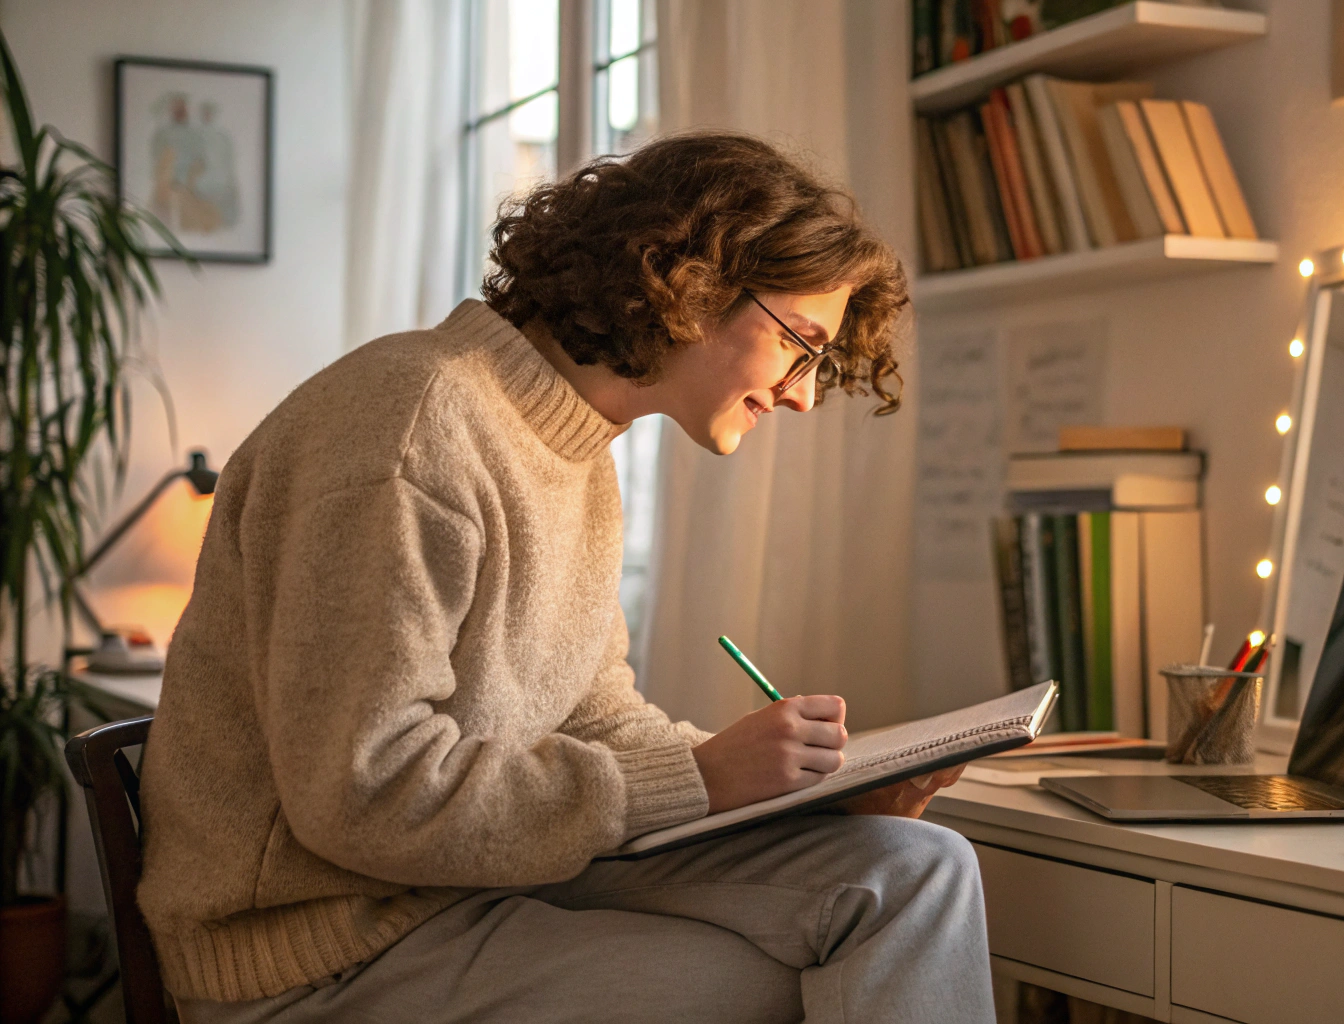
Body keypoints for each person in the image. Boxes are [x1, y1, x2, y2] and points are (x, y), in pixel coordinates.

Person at [138, 131, 991, 1024]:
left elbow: (591, 714)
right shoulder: (409, 427)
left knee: (914, 868)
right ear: (691, 279)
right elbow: (362, 791)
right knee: (786, 986)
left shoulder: (572, 447)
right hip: (323, 950)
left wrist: (807, 795)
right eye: (800, 345)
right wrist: (698, 778)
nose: (803, 394)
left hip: (467, 886)